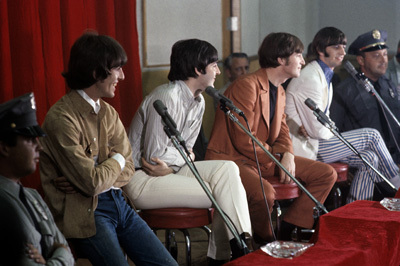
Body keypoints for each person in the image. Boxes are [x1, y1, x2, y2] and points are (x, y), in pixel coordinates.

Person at [39, 32, 177, 265]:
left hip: (119, 202)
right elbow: (92, 182)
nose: (122, 76)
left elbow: (128, 168)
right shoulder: (61, 118)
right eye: (117, 69)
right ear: (96, 72)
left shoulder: (108, 112)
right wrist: (115, 161)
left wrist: (100, 173)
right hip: (86, 213)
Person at [125, 39, 252, 264]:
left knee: (228, 169)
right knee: (226, 194)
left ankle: (233, 251)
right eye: (214, 65)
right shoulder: (166, 96)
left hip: (171, 171)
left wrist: (186, 156)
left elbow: (188, 152)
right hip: (141, 178)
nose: (218, 71)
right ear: (197, 69)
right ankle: (237, 254)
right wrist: (185, 156)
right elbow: (155, 158)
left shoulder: (199, 101)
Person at [205, 32, 337, 243]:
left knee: (326, 174)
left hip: (263, 157)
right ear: (281, 59)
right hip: (233, 159)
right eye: (298, 55)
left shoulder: (280, 90)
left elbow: (283, 129)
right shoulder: (247, 85)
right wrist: (279, 157)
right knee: (263, 193)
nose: (303, 61)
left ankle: (289, 227)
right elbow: (243, 139)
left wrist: (288, 154)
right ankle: (265, 241)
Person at [285, 27, 400, 203]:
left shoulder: (324, 75)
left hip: (316, 142)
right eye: (336, 46)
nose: (342, 52)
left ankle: (355, 212)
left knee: (370, 158)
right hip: (306, 148)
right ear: (320, 49)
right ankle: (397, 183)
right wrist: (330, 129)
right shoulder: (311, 78)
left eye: (344, 46)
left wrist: (328, 127)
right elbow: (318, 130)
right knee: (371, 135)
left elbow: (324, 122)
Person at [0, 93, 74, 265]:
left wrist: (54, 257)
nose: (39, 147)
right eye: (30, 140)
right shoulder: (3, 205)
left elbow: (65, 247)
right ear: (4, 147)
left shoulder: (32, 196)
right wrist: (60, 255)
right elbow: (62, 252)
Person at [330, 29, 400, 164]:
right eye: (376, 56)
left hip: (394, 158)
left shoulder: (389, 85)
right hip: (369, 161)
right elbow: (335, 132)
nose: (383, 60)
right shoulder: (345, 90)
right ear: (361, 60)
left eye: (385, 54)